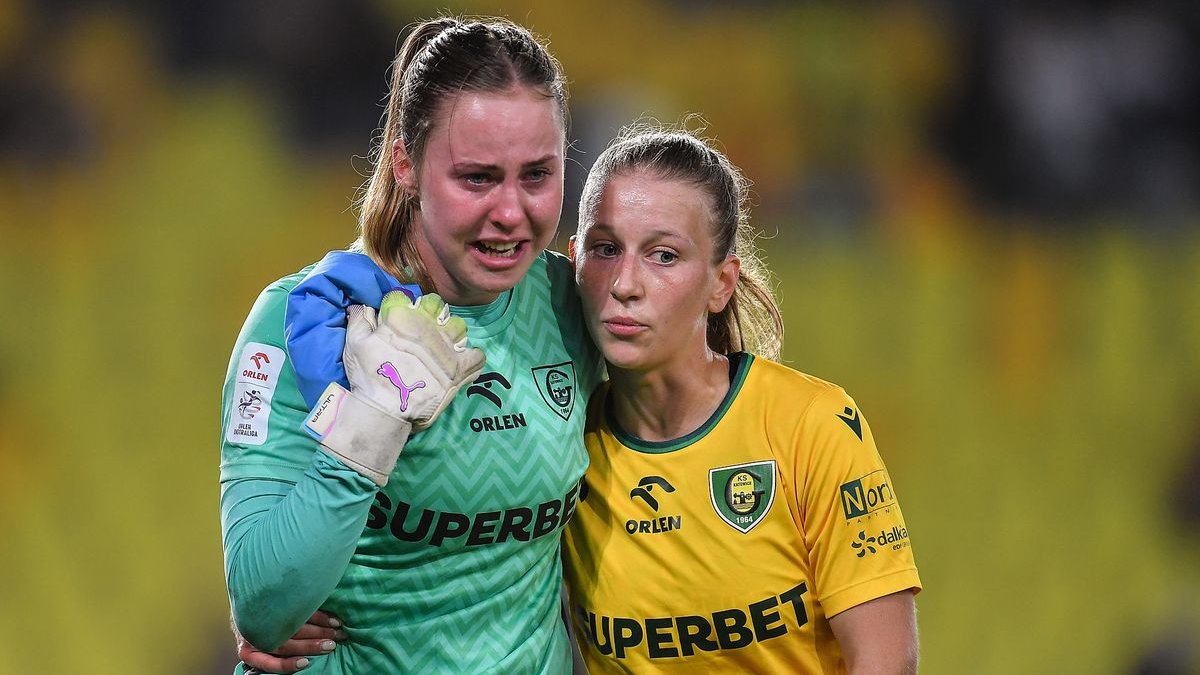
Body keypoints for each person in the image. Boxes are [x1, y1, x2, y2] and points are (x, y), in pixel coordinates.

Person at [220, 15, 602, 674]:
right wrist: (370, 422)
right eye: (477, 178)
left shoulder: (575, 303)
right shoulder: (305, 321)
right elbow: (262, 605)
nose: (511, 211)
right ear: (405, 164)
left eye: (537, 175)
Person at [558, 126, 921, 673]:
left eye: (663, 256)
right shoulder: (561, 446)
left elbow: (885, 662)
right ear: (574, 262)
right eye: (605, 250)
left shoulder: (811, 425)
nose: (625, 283)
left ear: (721, 283)